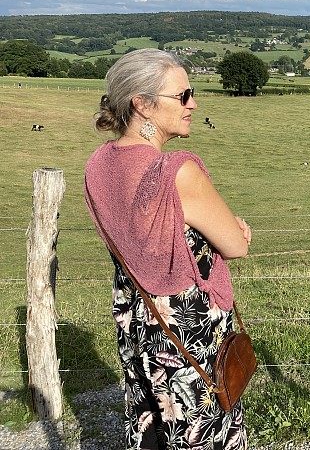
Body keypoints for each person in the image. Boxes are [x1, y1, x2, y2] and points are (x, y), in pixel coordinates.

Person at [84, 48, 250, 450]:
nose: (193, 103)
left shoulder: (99, 164)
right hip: (186, 331)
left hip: (135, 321)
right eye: (183, 95)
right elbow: (234, 244)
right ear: (141, 104)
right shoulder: (177, 171)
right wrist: (236, 231)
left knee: (151, 430)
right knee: (202, 432)